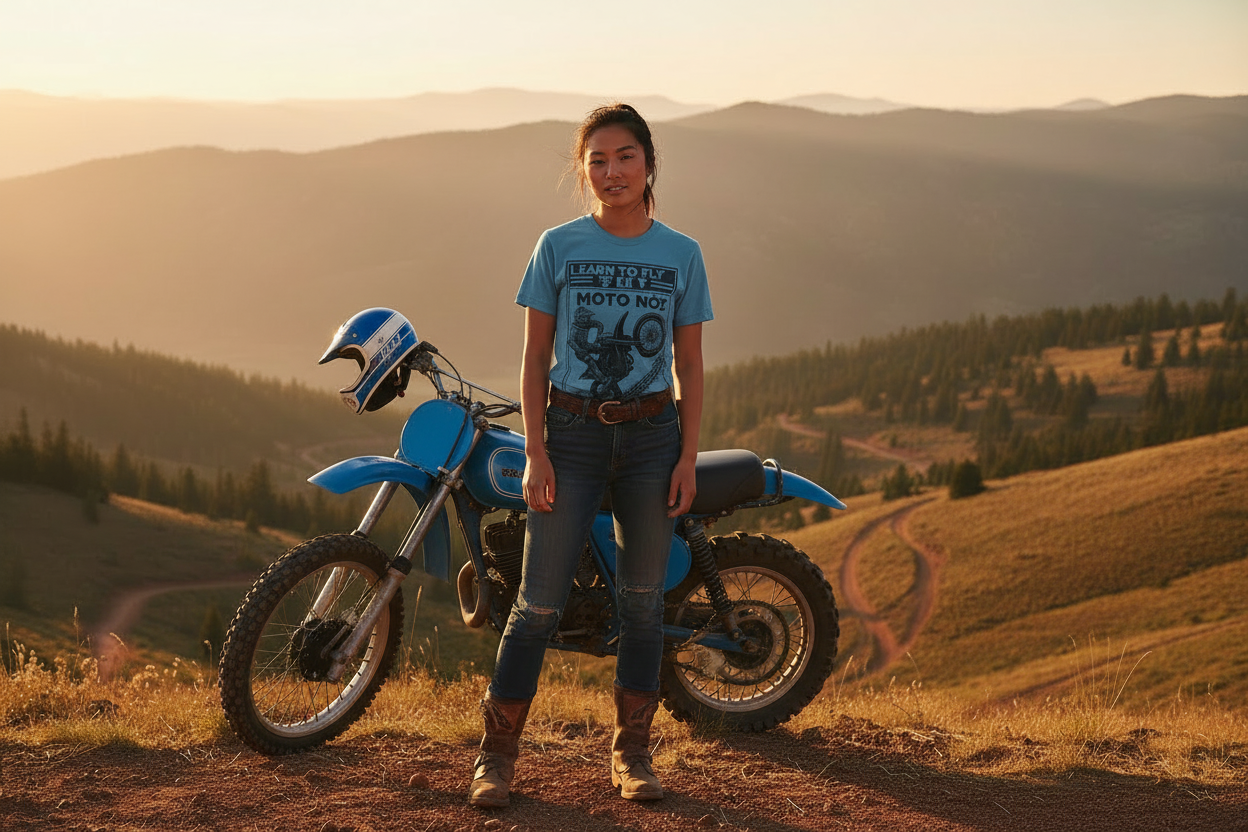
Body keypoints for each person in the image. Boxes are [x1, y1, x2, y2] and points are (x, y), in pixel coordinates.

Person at [468, 103, 713, 808]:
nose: (612, 173)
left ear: (649, 162)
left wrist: (687, 455)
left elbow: (689, 365)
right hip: (569, 436)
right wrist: (537, 451)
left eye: (625, 157)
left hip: (650, 439)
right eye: (597, 160)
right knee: (537, 603)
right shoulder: (557, 245)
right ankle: (496, 759)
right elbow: (535, 355)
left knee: (642, 602)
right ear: (583, 170)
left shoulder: (682, 254)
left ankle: (632, 754)